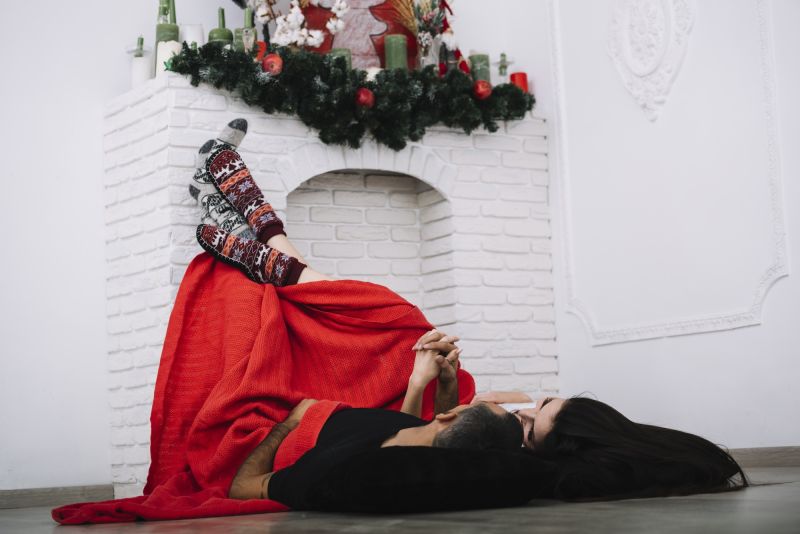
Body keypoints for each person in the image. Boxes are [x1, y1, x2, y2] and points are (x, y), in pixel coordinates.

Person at [193, 119, 747, 504]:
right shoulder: (515, 432)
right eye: (545, 404)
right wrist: (443, 381)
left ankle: (257, 235)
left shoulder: (507, 464)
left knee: (390, 316)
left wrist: (421, 386)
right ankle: (255, 234)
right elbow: (423, 428)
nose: (524, 409)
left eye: (532, 423)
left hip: (369, 421)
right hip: (401, 413)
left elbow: (406, 441)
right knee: (399, 320)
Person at [473, 391, 749, 500]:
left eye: (530, 432)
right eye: (544, 403)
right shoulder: (639, 440)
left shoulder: (556, 472)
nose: (522, 414)